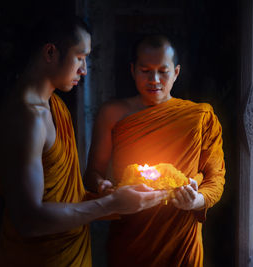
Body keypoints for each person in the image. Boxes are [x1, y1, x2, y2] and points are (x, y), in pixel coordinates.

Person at [0, 16, 167, 267]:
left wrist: (116, 198)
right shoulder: (27, 117)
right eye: (80, 57)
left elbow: (63, 199)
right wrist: (109, 204)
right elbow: (29, 220)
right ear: (51, 52)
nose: (84, 70)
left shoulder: (55, 106)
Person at [84, 35, 225, 266]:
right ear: (133, 70)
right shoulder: (112, 113)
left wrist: (195, 201)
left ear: (176, 72)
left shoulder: (199, 117)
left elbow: (216, 179)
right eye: (145, 70)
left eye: (163, 71)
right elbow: (92, 174)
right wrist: (103, 187)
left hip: (181, 240)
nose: (154, 79)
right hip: (131, 238)